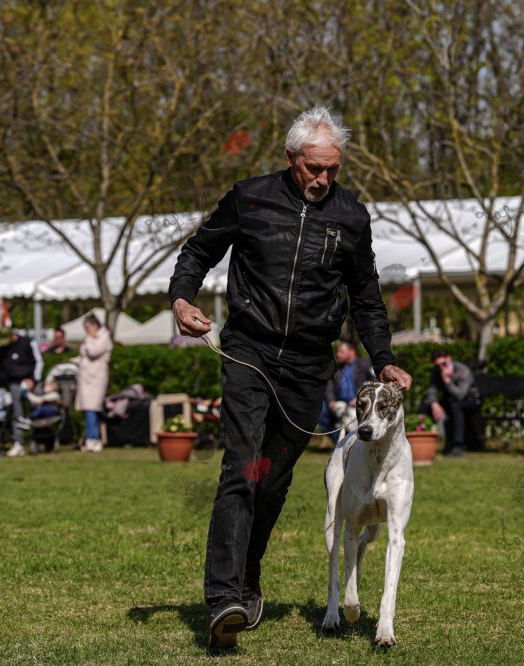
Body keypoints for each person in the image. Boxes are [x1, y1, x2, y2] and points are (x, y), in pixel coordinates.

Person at [168, 106, 412, 649]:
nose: (323, 178)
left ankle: (248, 575)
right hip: (248, 350)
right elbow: (198, 251)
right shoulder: (250, 198)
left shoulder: (351, 215)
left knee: (273, 480)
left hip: (307, 364)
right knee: (241, 467)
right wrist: (182, 298)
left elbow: (366, 295)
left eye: (332, 169)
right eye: (313, 168)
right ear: (290, 158)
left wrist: (384, 358)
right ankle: (224, 597)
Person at [0, 327, 43, 457]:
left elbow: (38, 363)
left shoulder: (27, 343)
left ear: (12, 335)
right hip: (14, 385)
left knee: (34, 412)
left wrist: (33, 380)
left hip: (31, 383)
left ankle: (36, 439)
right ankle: (19, 443)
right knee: (17, 414)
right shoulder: (1, 350)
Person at [425, 348, 480, 458]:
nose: (441, 368)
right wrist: (434, 404)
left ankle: (458, 445)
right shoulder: (436, 371)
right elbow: (432, 390)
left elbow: (460, 395)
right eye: (438, 366)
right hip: (450, 401)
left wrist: (447, 381)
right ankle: (428, 442)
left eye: (443, 364)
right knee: (426, 407)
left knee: (455, 407)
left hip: (470, 401)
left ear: (449, 358)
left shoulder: (463, 370)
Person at [323, 339, 375, 443]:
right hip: (339, 404)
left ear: (352, 351)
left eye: (341, 352)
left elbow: (375, 382)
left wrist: (360, 397)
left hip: (360, 403)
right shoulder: (336, 368)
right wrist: (331, 401)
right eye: (337, 352)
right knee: (322, 411)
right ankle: (339, 443)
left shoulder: (365, 364)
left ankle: (355, 443)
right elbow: (329, 387)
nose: (337, 354)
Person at [74, 314, 113, 453]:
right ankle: (90, 437)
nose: (86, 331)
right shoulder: (91, 338)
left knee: (92, 407)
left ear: (95, 325)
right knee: (88, 409)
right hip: (86, 378)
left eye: (87, 327)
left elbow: (93, 352)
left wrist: (89, 339)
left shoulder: (103, 337)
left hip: (96, 377)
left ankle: (93, 438)